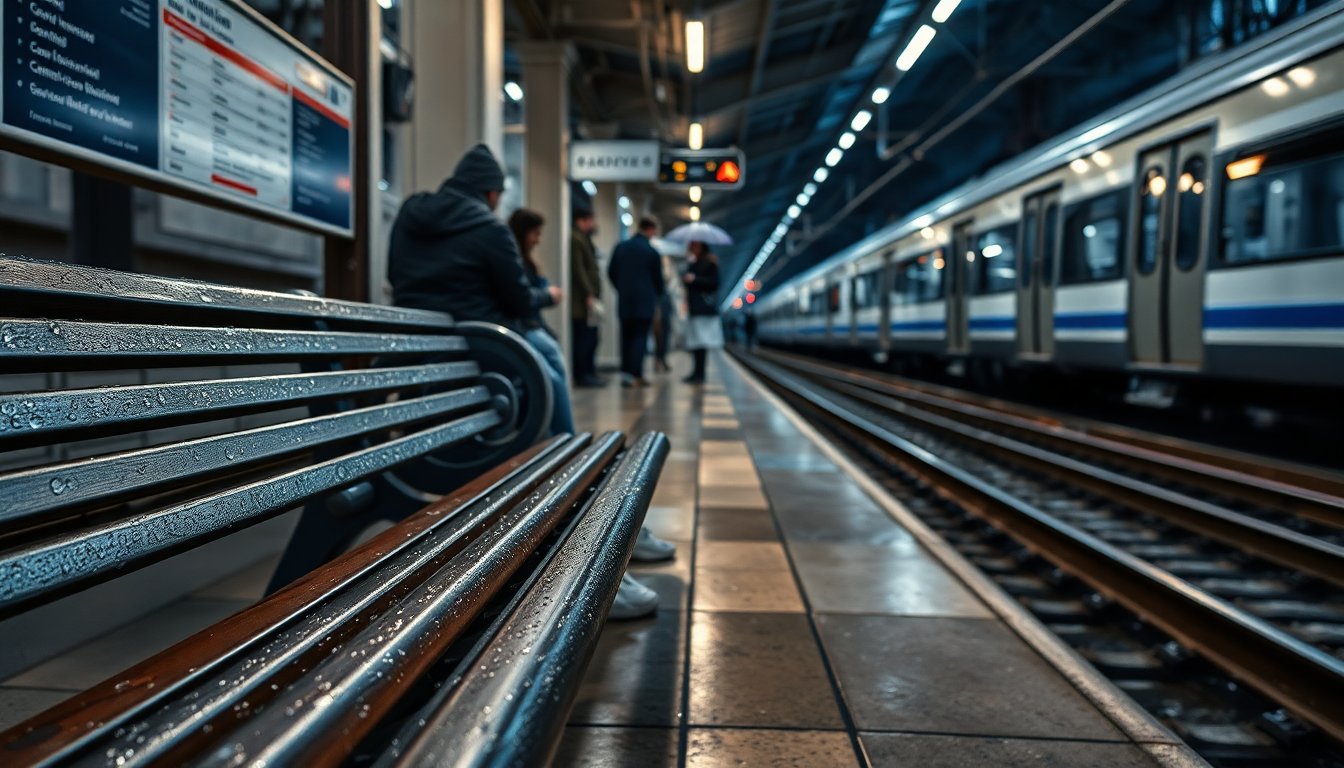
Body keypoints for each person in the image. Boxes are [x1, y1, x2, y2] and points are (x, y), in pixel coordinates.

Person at [387, 144, 654, 619]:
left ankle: (589, 497)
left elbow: (397, 276)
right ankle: (581, 506)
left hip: (422, 364)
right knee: (545, 359)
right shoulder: (489, 227)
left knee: (542, 356)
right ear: (492, 193)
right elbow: (517, 299)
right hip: (482, 359)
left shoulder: (410, 213)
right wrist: (546, 295)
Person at [508, 208, 577, 436]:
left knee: (552, 357)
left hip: (526, 326)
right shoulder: (514, 259)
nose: (538, 240)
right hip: (520, 327)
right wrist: (548, 295)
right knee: (551, 371)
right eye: (535, 233)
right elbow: (522, 300)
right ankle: (564, 437)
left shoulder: (521, 260)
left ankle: (560, 436)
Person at [606, 216, 666, 388]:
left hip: (625, 300)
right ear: (651, 230)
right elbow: (659, 281)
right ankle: (636, 374)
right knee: (640, 337)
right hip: (645, 302)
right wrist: (656, 296)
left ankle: (626, 374)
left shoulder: (621, 247)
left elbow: (611, 272)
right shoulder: (652, 252)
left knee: (626, 337)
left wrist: (622, 288)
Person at [570, 209, 605, 387]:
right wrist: (588, 293)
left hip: (587, 299)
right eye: (590, 220)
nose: (593, 224)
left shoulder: (583, 239)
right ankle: (583, 374)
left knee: (591, 337)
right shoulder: (576, 239)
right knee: (584, 338)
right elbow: (579, 269)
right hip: (582, 301)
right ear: (582, 220)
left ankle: (589, 372)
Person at [682, 240, 723, 383]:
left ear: (702, 246)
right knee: (695, 341)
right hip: (694, 307)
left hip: (704, 308)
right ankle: (696, 372)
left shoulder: (710, 263)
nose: (693, 247)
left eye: (695, 245)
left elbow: (714, 283)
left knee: (701, 342)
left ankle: (700, 374)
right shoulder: (692, 263)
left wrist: (694, 279)